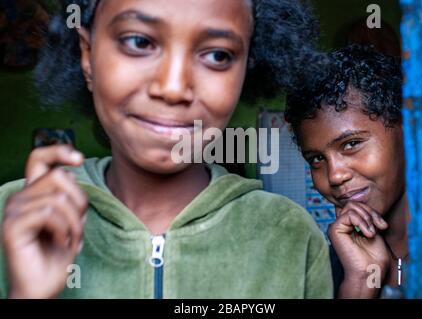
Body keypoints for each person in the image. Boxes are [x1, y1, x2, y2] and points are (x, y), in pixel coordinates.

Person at [0, 0, 332, 298]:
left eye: (218, 55)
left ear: (246, 70)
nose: (173, 88)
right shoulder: (10, 214)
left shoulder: (289, 235)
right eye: (139, 42)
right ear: (88, 57)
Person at [285, 44, 408, 298]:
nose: (335, 176)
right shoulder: (339, 261)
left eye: (351, 144)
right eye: (317, 158)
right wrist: (361, 281)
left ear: (407, 131)